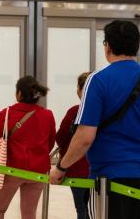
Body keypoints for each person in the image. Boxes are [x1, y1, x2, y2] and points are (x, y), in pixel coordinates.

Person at [50, 20, 140, 219]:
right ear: (136, 46)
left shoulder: (98, 80)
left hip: (110, 178)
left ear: (107, 46)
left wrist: (61, 167)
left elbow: (85, 136)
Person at [0, 76, 56, 219]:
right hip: (38, 172)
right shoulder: (47, 115)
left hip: (11, 169)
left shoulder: (6, 114)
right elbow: (50, 143)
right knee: (29, 213)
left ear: (19, 94)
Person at [55, 72, 91, 219]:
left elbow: (61, 137)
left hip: (77, 168)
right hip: (101, 170)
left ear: (80, 90)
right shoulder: (106, 111)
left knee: (82, 209)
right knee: (97, 208)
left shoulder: (75, 111)